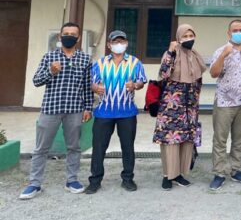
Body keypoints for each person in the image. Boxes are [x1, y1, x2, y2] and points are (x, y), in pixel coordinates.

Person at [19, 22, 93, 200]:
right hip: (50, 109)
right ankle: (34, 184)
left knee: (74, 147)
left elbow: (87, 86)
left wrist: (88, 108)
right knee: (41, 148)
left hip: (74, 109)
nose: (69, 36)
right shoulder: (49, 57)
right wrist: (51, 72)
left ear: (78, 38)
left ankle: (72, 180)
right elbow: (36, 81)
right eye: (66, 33)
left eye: (73, 34)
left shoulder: (85, 59)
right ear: (60, 37)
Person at [85, 30, 147, 194]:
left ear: (126, 44)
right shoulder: (99, 63)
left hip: (127, 112)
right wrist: (95, 87)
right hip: (104, 112)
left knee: (128, 147)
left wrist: (135, 85)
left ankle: (128, 179)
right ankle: (95, 180)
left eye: (122, 41)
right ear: (109, 45)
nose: (118, 44)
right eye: (115, 42)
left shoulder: (135, 62)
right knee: (99, 148)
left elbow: (141, 82)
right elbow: (91, 84)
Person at [153, 24, 207, 190]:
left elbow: (198, 80)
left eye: (191, 35)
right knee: (171, 141)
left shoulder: (195, 55)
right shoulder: (171, 54)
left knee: (186, 141)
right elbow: (163, 74)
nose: (188, 39)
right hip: (171, 106)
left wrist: (195, 104)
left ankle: (179, 174)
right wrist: (171, 51)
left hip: (190, 106)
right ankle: (167, 175)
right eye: (185, 36)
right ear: (178, 38)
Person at [209, 19, 241, 190]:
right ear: (228, 33)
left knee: (239, 139)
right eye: (235, 30)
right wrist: (223, 55)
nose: (238, 33)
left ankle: (236, 170)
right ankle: (219, 173)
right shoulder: (220, 51)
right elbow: (214, 73)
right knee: (220, 139)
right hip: (224, 102)